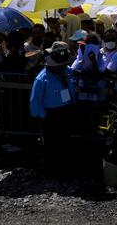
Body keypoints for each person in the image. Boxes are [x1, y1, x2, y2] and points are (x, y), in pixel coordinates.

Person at [29, 42, 77, 174]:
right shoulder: (42, 78)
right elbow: (35, 100)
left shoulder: (66, 71)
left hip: (65, 110)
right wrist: (44, 116)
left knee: (64, 141)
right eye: (60, 65)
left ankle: (63, 168)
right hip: (50, 113)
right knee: (51, 143)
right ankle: (50, 170)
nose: (63, 66)